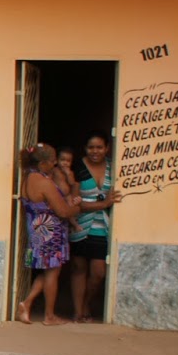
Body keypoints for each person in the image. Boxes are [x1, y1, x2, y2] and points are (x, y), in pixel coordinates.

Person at [15, 144, 79, 326]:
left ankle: (27, 304)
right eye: (52, 161)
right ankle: (49, 316)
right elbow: (63, 211)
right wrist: (77, 207)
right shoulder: (44, 183)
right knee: (52, 273)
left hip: (37, 232)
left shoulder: (28, 179)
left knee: (48, 271)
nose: (54, 164)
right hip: (50, 234)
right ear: (42, 163)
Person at [69, 134, 122, 322]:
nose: (95, 151)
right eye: (91, 147)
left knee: (98, 273)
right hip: (80, 226)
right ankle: (78, 312)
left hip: (103, 227)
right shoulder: (78, 167)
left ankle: (86, 303)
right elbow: (74, 203)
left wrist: (104, 204)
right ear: (85, 148)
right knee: (78, 269)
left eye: (99, 147)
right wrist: (103, 203)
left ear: (107, 148)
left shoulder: (114, 167)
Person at [52, 145, 83, 235]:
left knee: (70, 207)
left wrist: (68, 174)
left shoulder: (70, 172)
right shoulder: (54, 170)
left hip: (67, 195)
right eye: (62, 160)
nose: (65, 163)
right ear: (56, 160)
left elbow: (72, 183)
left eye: (68, 161)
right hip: (57, 194)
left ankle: (74, 224)